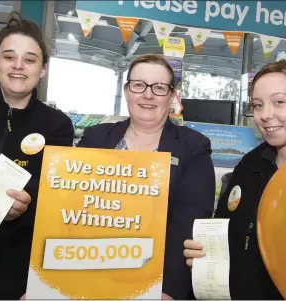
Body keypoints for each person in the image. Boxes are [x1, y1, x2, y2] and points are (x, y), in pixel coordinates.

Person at [0, 13, 74, 299]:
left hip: (17, 261)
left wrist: (28, 200)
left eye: (30, 60)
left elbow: (55, 191)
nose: (18, 65)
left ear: (42, 69)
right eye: (9, 57)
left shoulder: (57, 125)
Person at [76, 54, 216, 299]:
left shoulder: (193, 147)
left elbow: (188, 225)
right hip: (87, 272)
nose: (148, 95)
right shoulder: (95, 138)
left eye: (159, 88)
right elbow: (66, 206)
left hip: (155, 283)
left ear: (172, 96)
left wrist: (167, 290)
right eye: (139, 85)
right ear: (127, 90)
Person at [183, 60, 286, 300]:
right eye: (258, 105)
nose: (265, 115)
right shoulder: (250, 165)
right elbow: (227, 235)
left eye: (279, 102)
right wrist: (202, 256)